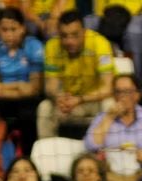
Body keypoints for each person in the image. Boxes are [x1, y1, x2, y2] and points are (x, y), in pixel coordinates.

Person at [83, 73, 142, 181]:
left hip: (141, 176)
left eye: (127, 92)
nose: (122, 97)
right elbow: (90, 145)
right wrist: (109, 117)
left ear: (137, 95)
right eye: (118, 92)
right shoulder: (103, 117)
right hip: (110, 177)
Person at [37, 10, 114, 139]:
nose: (69, 41)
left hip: (94, 100)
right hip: (69, 102)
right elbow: (50, 85)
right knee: (44, 108)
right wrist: (58, 98)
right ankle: (47, 153)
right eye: (64, 36)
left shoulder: (100, 44)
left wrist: (81, 99)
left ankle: (105, 153)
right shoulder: (52, 46)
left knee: (110, 104)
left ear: (84, 32)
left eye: (74, 35)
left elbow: (108, 88)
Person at [0, 7, 44, 156]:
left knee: (29, 113)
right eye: (4, 30)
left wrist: (3, 87)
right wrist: (19, 86)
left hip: (28, 102)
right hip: (2, 101)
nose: (9, 34)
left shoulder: (34, 46)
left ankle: (29, 156)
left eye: (13, 29)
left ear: (22, 28)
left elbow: (34, 88)